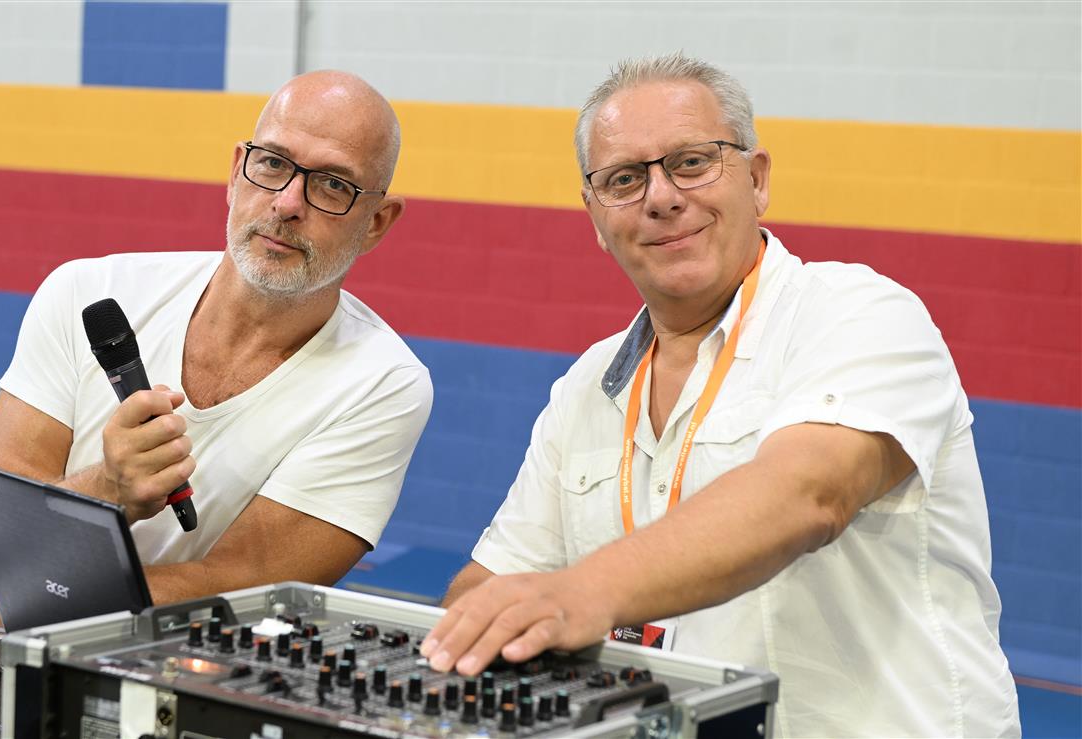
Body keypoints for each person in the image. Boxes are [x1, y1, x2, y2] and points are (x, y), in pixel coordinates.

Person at [421, 54, 1019, 737]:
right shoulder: (586, 385)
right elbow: (496, 580)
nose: (661, 197)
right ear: (595, 217)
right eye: (624, 179)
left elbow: (809, 494)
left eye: (692, 162)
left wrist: (581, 592)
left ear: (756, 179)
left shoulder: (860, 313)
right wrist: (458, 642)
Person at [0, 70, 433, 628]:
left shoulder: (382, 383)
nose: (288, 203)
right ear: (235, 172)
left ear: (376, 223)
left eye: (333, 185)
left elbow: (247, 588)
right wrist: (108, 487)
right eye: (272, 163)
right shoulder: (88, 291)